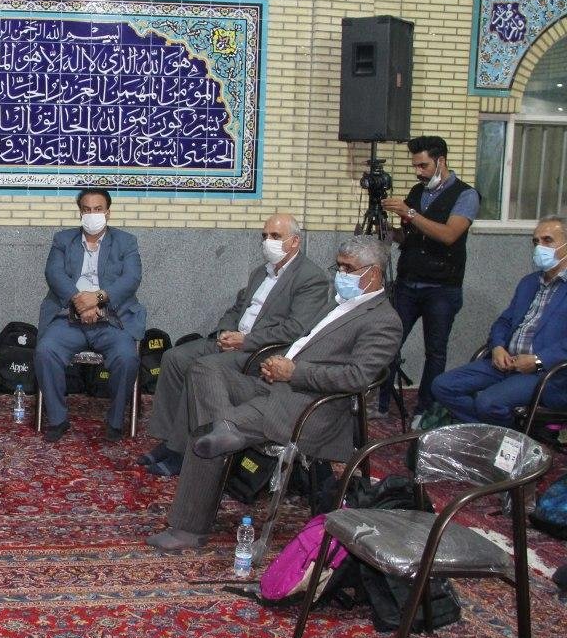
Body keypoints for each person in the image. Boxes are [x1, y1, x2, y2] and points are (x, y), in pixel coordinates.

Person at [146, 236, 402, 551]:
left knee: (205, 436)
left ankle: (189, 529)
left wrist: (294, 372)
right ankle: (224, 429)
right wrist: (279, 364)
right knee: (203, 369)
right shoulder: (336, 302)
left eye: (348, 268)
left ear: (373, 273)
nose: (340, 274)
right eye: (338, 267)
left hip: (306, 406)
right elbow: (302, 341)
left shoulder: (383, 321)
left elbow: (357, 377)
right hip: (275, 386)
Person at [142, 214, 330, 476]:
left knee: (200, 367)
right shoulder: (260, 272)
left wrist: (246, 340)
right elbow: (237, 308)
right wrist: (225, 331)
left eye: (275, 236)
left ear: (295, 241)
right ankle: (169, 439)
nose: (268, 242)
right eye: (264, 236)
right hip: (233, 340)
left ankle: (183, 452)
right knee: (174, 358)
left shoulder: (310, 278)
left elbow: (295, 329)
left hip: (260, 351)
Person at [379, 136, 480, 422]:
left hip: (442, 287)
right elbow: (410, 236)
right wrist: (389, 233)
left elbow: (449, 235)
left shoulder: (465, 195)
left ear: (441, 161)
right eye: (415, 166)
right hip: (408, 282)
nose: (419, 172)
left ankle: (424, 409)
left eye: (423, 165)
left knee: (435, 352)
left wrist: (409, 213)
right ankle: (380, 403)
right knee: (389, 343)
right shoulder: (417, 191)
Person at [33, 188, 145, 443]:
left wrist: (98, 298)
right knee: (45, 351)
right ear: (80, 212)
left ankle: (115, 421)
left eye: (98, 209)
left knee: (127, 358)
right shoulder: (63, 240)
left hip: (112, 318)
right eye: (86, 209)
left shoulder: (126, 241)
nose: (92, 214)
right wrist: (80, 302)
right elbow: (54, 274)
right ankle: (58, 419)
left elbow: (131, 279)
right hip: (68, 316)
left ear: (108, 212)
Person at [431, 216, 567, 426]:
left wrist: (538, 360)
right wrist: (497, 347)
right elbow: (503, 322)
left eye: (547, 240)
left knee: (488, 403)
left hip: (548, 374)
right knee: (442, 386)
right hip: (506, 364)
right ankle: (504, 432)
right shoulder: (529, 283)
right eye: (536, 241)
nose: (540, 247)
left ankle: (502, 435)